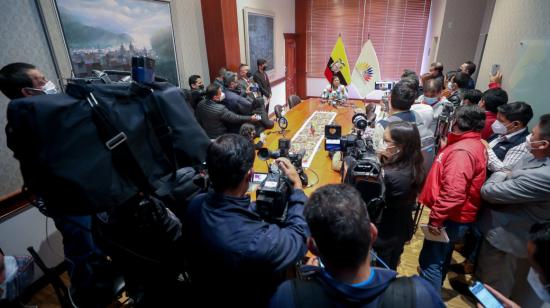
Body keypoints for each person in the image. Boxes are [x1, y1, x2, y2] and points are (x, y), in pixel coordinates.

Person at [0, 62, 110, 305]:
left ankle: (102, 283)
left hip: (83, 190)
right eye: (40, 80)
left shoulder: (45, 115)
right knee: (82, 248)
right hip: (64, 197)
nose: (47, 82)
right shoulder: (23, 124)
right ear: (27, 93)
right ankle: (87, 297)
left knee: (99, 240)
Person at [269, 184, 444, 308]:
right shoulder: (420, 295)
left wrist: (309, 280)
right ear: (372, 233)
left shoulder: (287, 296)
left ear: (312, 247)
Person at [185, 134, 309, 306]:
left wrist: (254, 205)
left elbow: (229, 218)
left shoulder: (195, 205)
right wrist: (297, 188)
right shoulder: (255, 243)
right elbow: (298, 238)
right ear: (249, 175)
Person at [476, 114, 550, 307]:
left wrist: (501, 173)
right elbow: (509, 169)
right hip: (497, 229)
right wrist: (506, 173)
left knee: (495, 290)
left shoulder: (545, 176)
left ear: (544, 144)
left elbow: (489, 191)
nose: (529, 138)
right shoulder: (533, 156)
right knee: (486, 277)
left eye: (533, 135)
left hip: (509, 239)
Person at [417, 105, 487, 292]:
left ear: (457, 122)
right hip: (454, 216)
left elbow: (453, 193)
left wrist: (436, 219)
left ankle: (426, 299)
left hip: (450, 217)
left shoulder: (462, 152)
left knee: (431, 261)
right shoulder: (470, 144)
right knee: (442, 255)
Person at [372, 122, 426, 270]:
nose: (383, 144)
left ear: (400, 146)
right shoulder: (414, 162)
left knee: (384, 271)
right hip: (400, 226)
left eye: (386, 141)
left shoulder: (391, 175)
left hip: (385, 233)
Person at [195, 83, 260, 139]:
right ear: (215, 97)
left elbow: (198, 119)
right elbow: (235, 118)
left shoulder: (200, 103)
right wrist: (250, 118)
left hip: (206, 135)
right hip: (220, 137)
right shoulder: (220, 109)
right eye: (220, 93)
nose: (223, 94)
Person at [372, 79, 419, 150]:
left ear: (389, 98)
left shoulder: (382, 125)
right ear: (412, 102)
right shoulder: (416, 115)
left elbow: (376, 151)